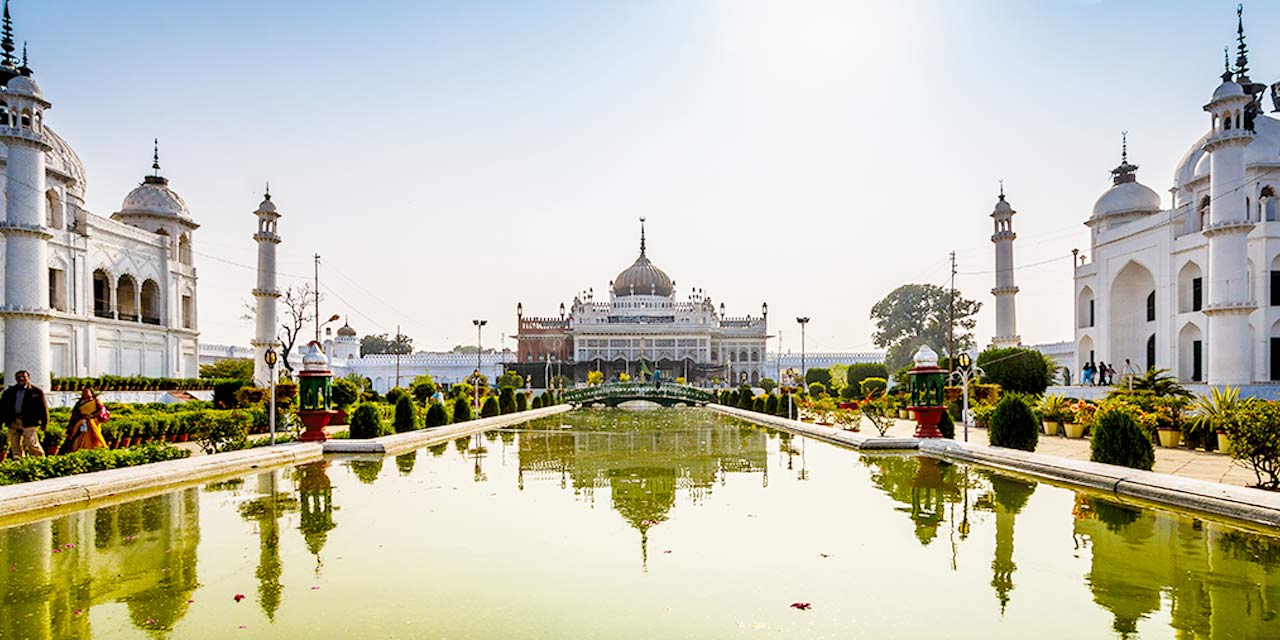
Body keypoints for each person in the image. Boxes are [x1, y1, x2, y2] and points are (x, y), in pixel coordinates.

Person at [0, 370, 48, 458]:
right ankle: (18, 462)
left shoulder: (36, 392)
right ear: (15, 379)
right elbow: (2, 407)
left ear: (28, 378)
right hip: (13, 421)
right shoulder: (9, 392)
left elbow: (43, 408)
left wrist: (44, 422)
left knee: (31, 443)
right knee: (15, 444)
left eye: (23, 377)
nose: (21, 379)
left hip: (29, 421)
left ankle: (40, 460)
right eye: (18, 377)